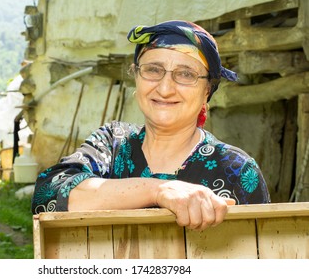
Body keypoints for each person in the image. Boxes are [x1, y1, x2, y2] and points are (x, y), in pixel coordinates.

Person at [31, 20, 271, 231]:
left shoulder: (236, 170)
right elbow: (48, 195)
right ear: (136, 77)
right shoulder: (113, 144)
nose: (165, 89)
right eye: (153, 70)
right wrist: (160, 190)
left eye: (186, 74)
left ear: (206, 90)